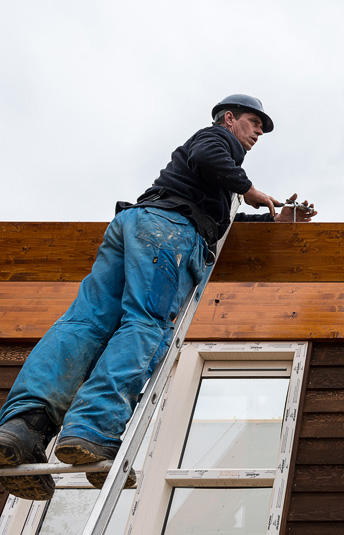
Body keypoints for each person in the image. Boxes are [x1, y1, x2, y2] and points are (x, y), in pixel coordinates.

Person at [0, 94, 315, 500]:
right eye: (254, 123)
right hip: (167, 232)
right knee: (146, 324)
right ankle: (92, 432)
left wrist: (273, 218)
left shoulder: (210, 179)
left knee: (85, 323)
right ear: (230, 118)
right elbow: (209, 155)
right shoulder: (219, 141)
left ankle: (23, 428)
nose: (257, 133)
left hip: (136, 224)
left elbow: (220, 221)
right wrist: (251, 188)